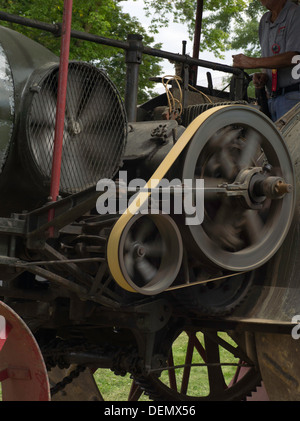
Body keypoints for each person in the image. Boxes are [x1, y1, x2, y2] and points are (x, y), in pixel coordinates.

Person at [232, 0, 300, 121]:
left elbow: (295, 57)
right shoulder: (264, 20)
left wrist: (252, 62)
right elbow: (268, 57)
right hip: (271, 98)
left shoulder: (295, 13)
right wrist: (263, 75)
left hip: (294, 97)